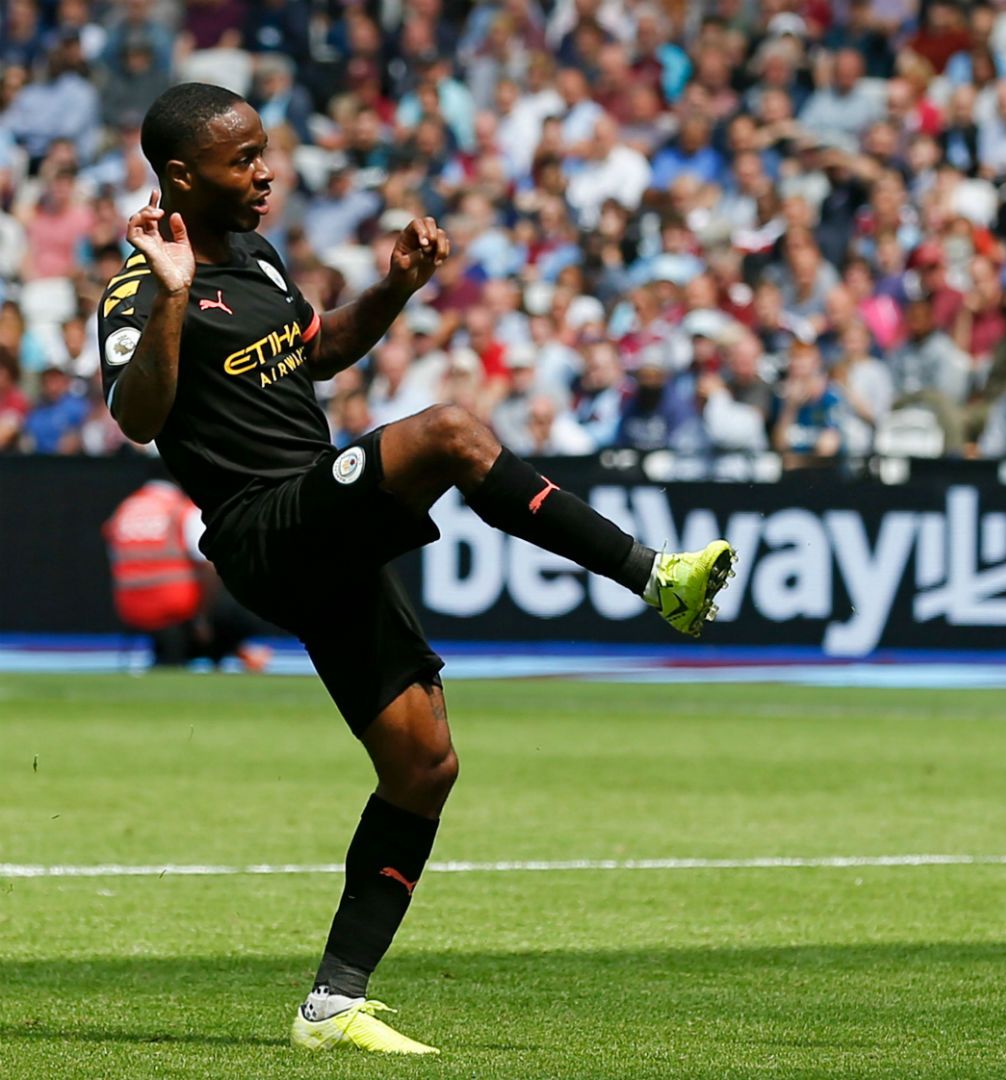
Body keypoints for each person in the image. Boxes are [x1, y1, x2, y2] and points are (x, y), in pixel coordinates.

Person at [100, 85, 737, 1056]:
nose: (267, 171)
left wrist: (396, 283)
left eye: (266, 151)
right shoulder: (140, 289)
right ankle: (657, 579)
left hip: (316, 516)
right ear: (182, 174)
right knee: (447, 432)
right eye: (244, 160)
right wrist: (175, 291)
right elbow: (139, 417)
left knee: (424, 761)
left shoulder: (263, 259)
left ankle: (332, 1005)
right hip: (260, 528)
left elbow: (318, 355)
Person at [103, 474, 271, 671]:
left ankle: (220, 651)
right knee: (241, 609)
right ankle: (216, 652)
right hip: (176, 605)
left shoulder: (125, 509)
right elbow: (208, 564)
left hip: (132, 608)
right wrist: (203, 618)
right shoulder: (180, 509)